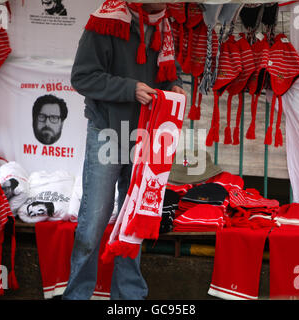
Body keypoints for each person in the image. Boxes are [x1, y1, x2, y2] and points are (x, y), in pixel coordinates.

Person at [62, 1, 185, 300]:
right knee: (92, 224)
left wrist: (176, 85)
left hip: (147, 134)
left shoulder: (164, 24)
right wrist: (129, 88)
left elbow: (169, 72)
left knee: (135, 220)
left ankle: (129, 298)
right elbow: (82, 76)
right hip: (108, 131)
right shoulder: (103, 21)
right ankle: (77, 296)